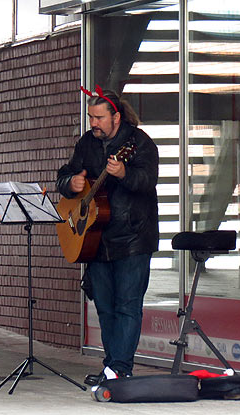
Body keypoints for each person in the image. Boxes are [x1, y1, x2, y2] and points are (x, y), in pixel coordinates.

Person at [57, 87, 159, 385]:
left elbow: (148, 181)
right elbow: (65, 174)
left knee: (128, 305)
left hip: (132, 237)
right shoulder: (87, 143)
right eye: (91, 117)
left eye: (99, 117)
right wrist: (70, 183)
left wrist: (124, 173)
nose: (94, 123)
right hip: (96, 238)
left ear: (116, 116)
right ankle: (111, 366)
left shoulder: (139, 143)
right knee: (104, 305)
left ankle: (121, 368)